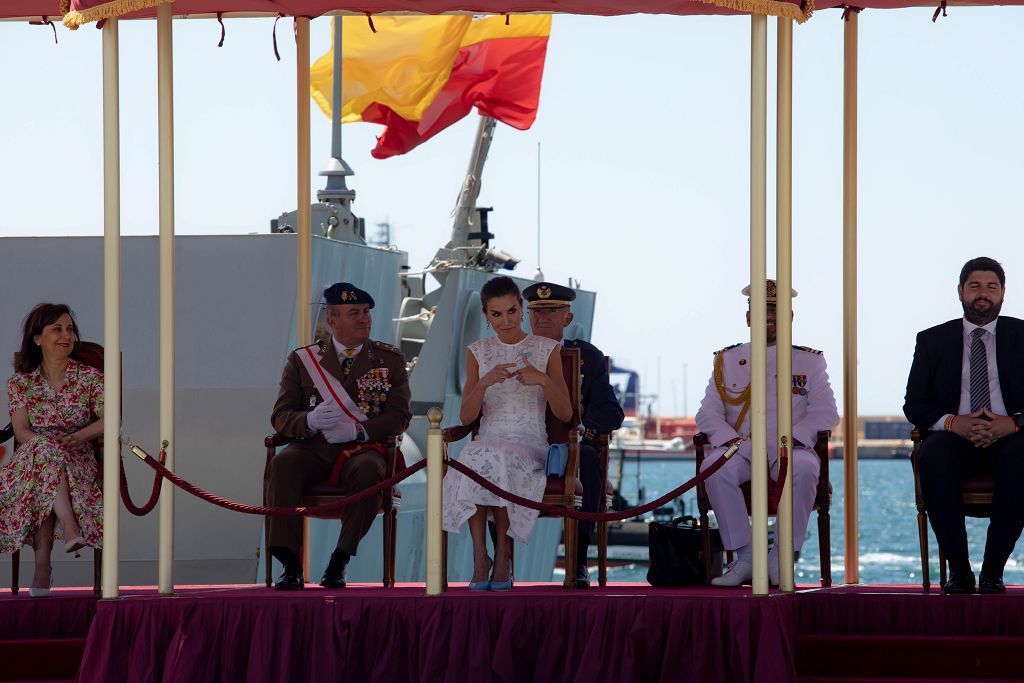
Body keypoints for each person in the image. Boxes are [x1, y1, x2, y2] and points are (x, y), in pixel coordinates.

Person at [267, 282, 411, 590]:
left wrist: (360, 429)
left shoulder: (389, 360)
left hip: (362, 448)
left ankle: (340, 559)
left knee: (371, 471)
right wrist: (309, 420)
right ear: (332, 320)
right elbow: (280, 417)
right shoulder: (303, 360)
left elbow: (399, 416)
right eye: (354, 313)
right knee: (283, 464)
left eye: (366, 312)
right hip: (313, 447)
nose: (364, 319)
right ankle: (289, 562)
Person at [696, 280, 839, 587]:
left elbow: (826, 412)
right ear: (749, 318)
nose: (768, 318)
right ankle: (745, 558)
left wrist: (790, 440)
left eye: (775, 311)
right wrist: (733, 443)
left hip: (789, 448)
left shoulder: (809, 361)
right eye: (762, 311)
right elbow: (707, 415)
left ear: (788, 315)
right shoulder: (727, 360)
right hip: (741, 449)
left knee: (805, 469)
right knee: (713, 469)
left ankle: (779, 559)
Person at [442, 276, 573, 591]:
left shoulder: (547, 349)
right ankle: (479, 555)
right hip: (487, 439)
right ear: (486, 315)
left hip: (529, 442)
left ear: (521, 308)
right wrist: (485, 382)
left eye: (512, 311)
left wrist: (542, 380)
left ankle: (502, 556)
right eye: (497, 314)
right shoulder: (478, 352)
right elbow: (466, 416)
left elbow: (566, 413)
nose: (506, 321)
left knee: (496, 457)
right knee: (474, 457)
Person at [904, 257, 1024, 595]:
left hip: (1011, 436)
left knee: (1021, 456)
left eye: (991, 287)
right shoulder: (932, 340)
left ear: (1003, 293)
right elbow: (914, 404)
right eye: (974, 286)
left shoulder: (1022, 335)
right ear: (960, 292)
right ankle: (959, 570)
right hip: (954, 437)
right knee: (933, 455)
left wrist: (1012, 423)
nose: (983, 294)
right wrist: (953, 423)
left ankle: (993, 572)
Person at [523, 281, 624, 588]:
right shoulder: (513, 354)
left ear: (567, 318)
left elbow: (611, 411)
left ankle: (577, 561)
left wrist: (584, 429)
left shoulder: (587, 358)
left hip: (571, 447)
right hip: (522, 443)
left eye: (552, 311)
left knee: (590, 460)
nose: (543, 318)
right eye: (536, 311)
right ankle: (501, 563)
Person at [0, 303, 104, 598]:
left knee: (48, 464)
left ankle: (42, 568)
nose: (65, 335)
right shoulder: (21, 383)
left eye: (69, 329)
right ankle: (72, 530)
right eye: (56, 329)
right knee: (45, 453)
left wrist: (76, 438)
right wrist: (46, 444)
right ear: (37, 338)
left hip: (77, 459)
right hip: (32, 458)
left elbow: (111, 420)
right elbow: (21, 431)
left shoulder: (90, 377)